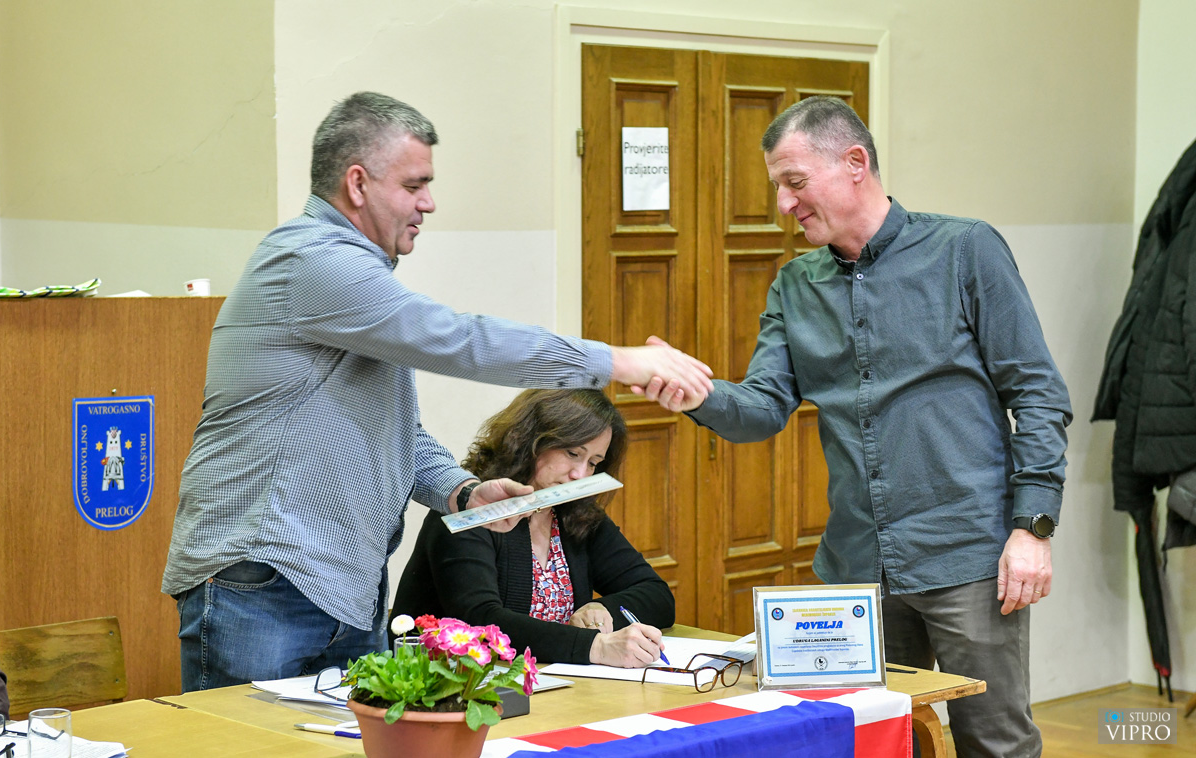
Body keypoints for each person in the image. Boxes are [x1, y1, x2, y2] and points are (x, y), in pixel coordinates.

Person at [161, 92, 711, 692]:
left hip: (343, 587)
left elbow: (396, 433)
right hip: (266, 578)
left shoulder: (358, 279)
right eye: (414, 185)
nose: (429, 202)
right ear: (357, 183)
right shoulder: (312, 261)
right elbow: (461, 340)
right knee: (246, 739)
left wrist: (462, 492)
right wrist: (616, 361)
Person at [644, 96, 1070, 758]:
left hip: (970, 557)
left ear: (854, 163)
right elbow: (762, 408)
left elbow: (1037, 392)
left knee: (995, 743)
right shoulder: (794, 286)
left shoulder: (965, 250)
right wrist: (692, 392)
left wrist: (1032, 528)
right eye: (778, 187)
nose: (784, 204)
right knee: (868, 741)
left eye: (794, 182)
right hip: (857, 568)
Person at [393, 389, 674, 667]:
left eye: (593, 463)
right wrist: (595, 646)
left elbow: (658, 595)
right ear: (531, 440)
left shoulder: (575, 513)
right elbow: (481, 621)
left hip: (551, 679)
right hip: (445, 679)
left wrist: (603, 609)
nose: (580, 474)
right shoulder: (475, 507)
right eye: (572, 453)